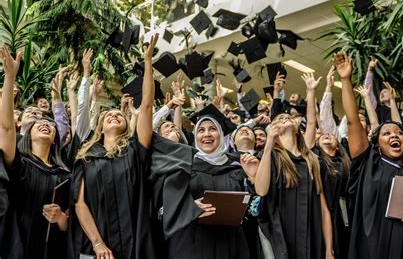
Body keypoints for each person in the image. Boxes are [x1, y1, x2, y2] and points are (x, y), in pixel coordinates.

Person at [68, 36, 159, 259]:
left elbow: (146, 105)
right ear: (100, 126)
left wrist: (147, 63)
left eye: (119, 114)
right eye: (109, 115)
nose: (115, 115)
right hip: (98, 244)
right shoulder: (87, 156)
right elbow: (80, 205)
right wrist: (98, 243)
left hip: (136, 241)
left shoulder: (135, 150)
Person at [334, 51, 403, 259]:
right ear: (377, 142)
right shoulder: (368, 163)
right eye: (387, 133)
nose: (395, 135)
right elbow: (353, 122)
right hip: (370, 247)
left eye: (399, 133)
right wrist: (346, 80)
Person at [253, 72, 334, 259]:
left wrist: (329, 249)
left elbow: (324, 209)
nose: (285, 118)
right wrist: (268, 145)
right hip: (283, 235)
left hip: (311, 234)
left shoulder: (311, 159)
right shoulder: (272, 156)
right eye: (279, 119)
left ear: (298, 128)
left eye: (287, 117)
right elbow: (261, 190)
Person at [0, 46, 71, 259]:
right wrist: (10, 77)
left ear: (56, 139)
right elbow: (6, 128)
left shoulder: (64, 176)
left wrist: (60, 218)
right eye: (39, 122)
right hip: (16, 246)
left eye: (50, 124)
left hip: (50, 251)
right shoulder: (19, 164)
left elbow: (70, 224)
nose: (45, 124)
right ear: (28, 134)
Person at [167, 105, 259, 259]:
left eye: (212, 129)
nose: (207, 134)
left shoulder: (238, 165)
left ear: (222, 134)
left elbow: (255, 207)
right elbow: (166, 203)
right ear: (195, 136)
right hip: (192, 243)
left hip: (232, 244)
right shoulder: (183, 165)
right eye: (201, 130)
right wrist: (189, 207)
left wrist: (253, 179)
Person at [316, 133, 351, 259]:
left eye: (331, 135)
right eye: (322, 135)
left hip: (340, 218)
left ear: (338, 147)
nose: (327, 135)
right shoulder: (315, 161)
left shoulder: (345, 166)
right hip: (319, 216)